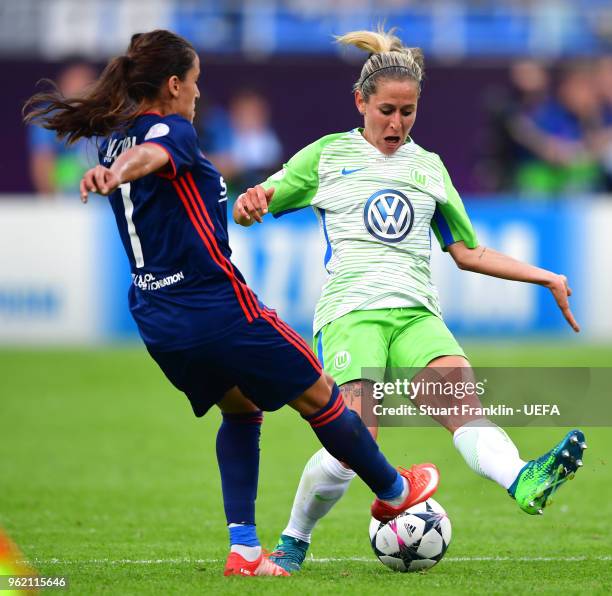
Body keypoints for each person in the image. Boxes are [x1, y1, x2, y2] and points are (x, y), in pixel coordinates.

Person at [22, 30, 440, 578]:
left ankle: (244, 549)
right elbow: (155, 153)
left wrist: (110, 168)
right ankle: (391, 489)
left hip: (156, 317)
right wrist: (117, 175)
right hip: (215, 305)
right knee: (322, 395)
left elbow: (139, 159)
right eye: (194, 83)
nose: (198, 94)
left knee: (242, 409)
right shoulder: (170, 129)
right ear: (173, 85)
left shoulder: (113, 138)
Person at [234, 27, 587, 572]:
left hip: (418, 315)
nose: (397, 123)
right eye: (387, 110)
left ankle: (524, 480)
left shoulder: (429, 167)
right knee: (353, 444)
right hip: (352, 314)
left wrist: (545, 276)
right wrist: (252, 201)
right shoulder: (329, 155)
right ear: (361, 102)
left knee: (465, 411)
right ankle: (293, 541)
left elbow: (467, 251)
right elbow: (258, 200)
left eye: (408, 112)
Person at [27, 61, 97, 195]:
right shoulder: (47, 118)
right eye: (75, 86)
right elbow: (42, 164)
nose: (80, 93)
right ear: (63, 87)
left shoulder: (107, 117)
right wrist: (53, 205)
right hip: (64, 202)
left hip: (102, 204)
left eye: (86, 86)